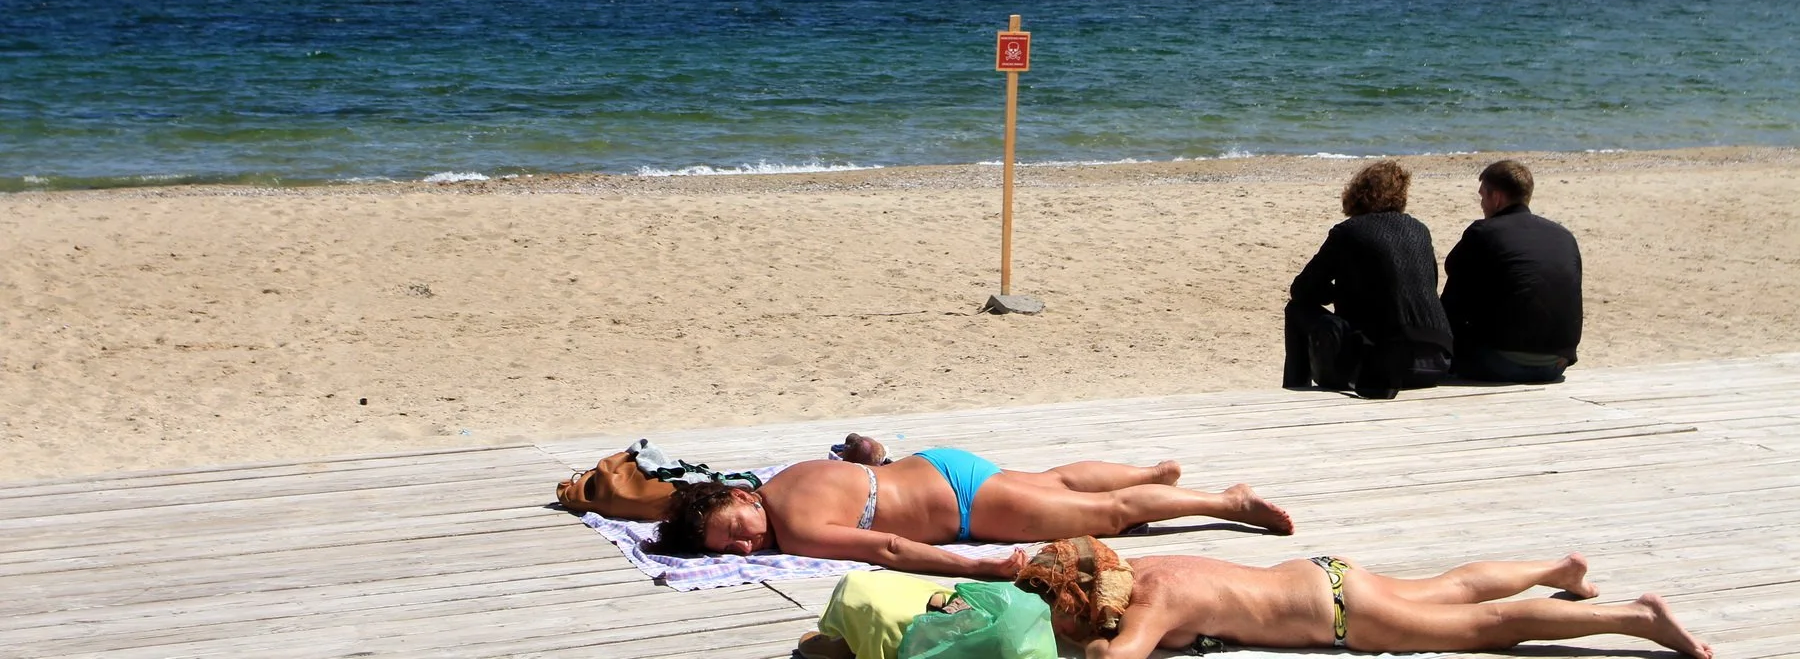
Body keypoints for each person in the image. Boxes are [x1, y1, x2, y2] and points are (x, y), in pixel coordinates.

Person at [1022, 536, 1710, 659]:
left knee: (1486, 626)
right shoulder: (1143, 567)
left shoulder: (1154, 604)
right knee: (1453, 588)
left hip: (1342, 617)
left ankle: (1636, 618)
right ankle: (1558, 568)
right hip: (1320, 575)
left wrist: (1088, 642)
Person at [648, 448, 1294, 579]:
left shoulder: (797, 529)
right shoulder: (780, 478)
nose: (745, 548)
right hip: (939, 465)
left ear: (739, 499)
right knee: (1055, 481)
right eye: (729, 551)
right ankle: (1153, 473)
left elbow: (890, 550)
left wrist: (979, 568)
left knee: (1108, 515)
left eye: (735, 532)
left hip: (963, 505)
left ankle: (1227, 502)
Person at [1283, 160, 1453, 398]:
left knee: (1296, 310)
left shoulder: (1348, 232)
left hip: (1379, 366)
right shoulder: (1419, 230)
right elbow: (1428, 283)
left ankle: (1296, 389)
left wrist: (1335, 292)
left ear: (1356, 195)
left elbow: (1301, 290)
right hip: (1437, 362)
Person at [1440, 159, 1583, 383]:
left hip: (1501, 363)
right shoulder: (1564, 236)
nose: (1482, 204)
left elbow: (1453, 282)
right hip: (1557, 363)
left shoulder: (1483, 232)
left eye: (1483, 196)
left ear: (1497, 197)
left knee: (1460, 289)